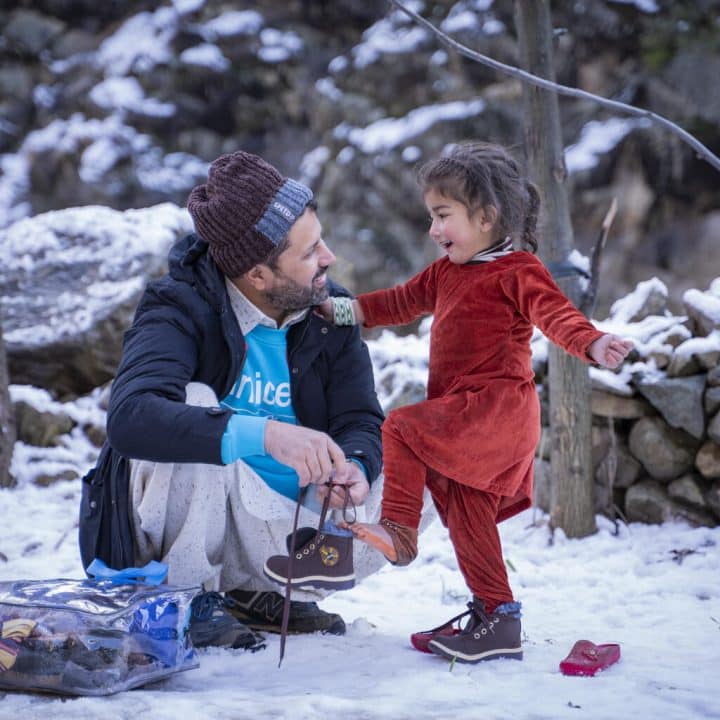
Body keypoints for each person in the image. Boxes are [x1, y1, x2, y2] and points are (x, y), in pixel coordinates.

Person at [316, 141, 634, 665]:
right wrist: (342, 312)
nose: (434, 230)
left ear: (486, 216)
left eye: (443, 215)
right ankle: (497, 617)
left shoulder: (517, 269)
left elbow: (555, 314)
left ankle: (399, 531)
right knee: (467, 513)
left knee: (400, 427)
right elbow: (397, 302)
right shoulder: (446, 274)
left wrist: (592, 342)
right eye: (431, 217)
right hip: (468, 411)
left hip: (495, 409)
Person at [78, 151, 387, 650]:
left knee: (420, 444)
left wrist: (356, 464)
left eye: (321, 240)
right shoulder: (178, 304)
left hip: (284, 527)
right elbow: (131, 417)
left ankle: (257, 594)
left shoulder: (330, 310)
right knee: (195, 403)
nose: (327, 258)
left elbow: (360, 418)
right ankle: (187, 594)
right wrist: (261, 432)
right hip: (188, 526)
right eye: (309, 253)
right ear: (257, 274)